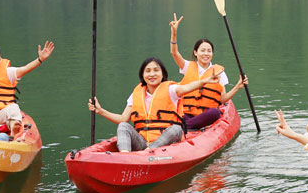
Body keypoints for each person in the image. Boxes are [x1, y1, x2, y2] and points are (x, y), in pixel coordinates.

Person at [88, 57, 220, 152]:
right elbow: (123, 119)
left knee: (176, 128)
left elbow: (188, 87)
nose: (152, 74)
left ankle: (149, 151)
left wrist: (205, 80)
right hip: (142, 142)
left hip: (164, 143)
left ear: (162, 74)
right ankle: (125, 155)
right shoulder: (136, 93)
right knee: (123, 126)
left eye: (156, 70)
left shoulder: (171, 89)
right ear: (142, 75)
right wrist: (100, 111)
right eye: (148, 71)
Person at [168, 14, 249, 129]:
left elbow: (222, 99)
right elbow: (174, 53)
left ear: (212, 54)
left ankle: (183, 127)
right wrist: (174, 33)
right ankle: (187, 125)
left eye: (209, 51)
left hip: (205, 116)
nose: (206, 53)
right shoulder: (187, 66)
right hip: (186, 113)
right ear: (196, 53)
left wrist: (237, 86)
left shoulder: (219, 72)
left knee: (215, 113)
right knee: (174, 112)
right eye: (203, 50)